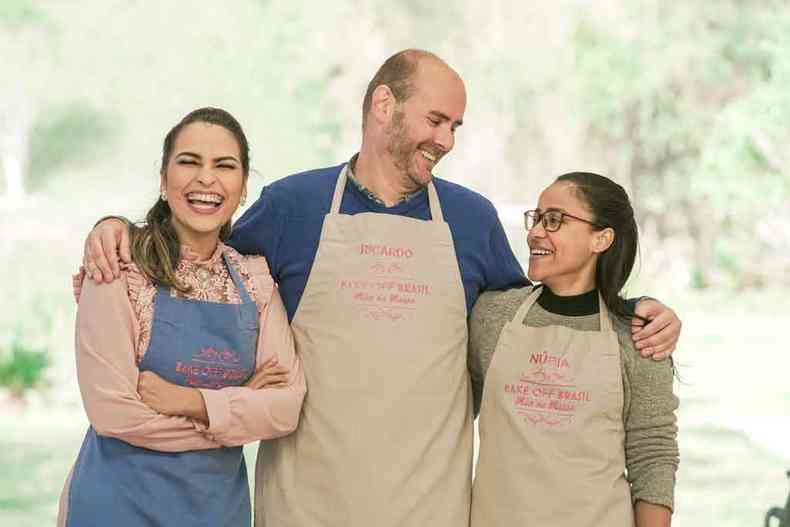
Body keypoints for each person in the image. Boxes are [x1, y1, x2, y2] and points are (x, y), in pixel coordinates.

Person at [77, 50, 681, 527]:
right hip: (303, 506)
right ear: (383, 104)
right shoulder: (293, 205)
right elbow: (202, 245)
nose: (446, 140)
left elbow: (540, 313)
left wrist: (635, 309)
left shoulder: (471, 220)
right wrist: (118, 230)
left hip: (430, 510)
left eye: (456, 126)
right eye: (436, 120)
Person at [58, 107, 306, 527]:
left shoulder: (256, 280)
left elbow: (285, 407)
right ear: (162, 178)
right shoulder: (117, 269)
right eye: (189, 162)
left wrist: (189, 402)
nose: (206, 179)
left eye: (224, 166)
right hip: (116, 507)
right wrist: (235, 411)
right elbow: (114, 415)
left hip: (216, 511)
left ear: (243, 187)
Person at [469, 171, 678, 527]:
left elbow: (652, 456)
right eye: (536, 219)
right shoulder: (492, 315)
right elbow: (449, 409)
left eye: (554, 220)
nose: (535, 232)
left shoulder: (638, 336)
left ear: (601, 238)